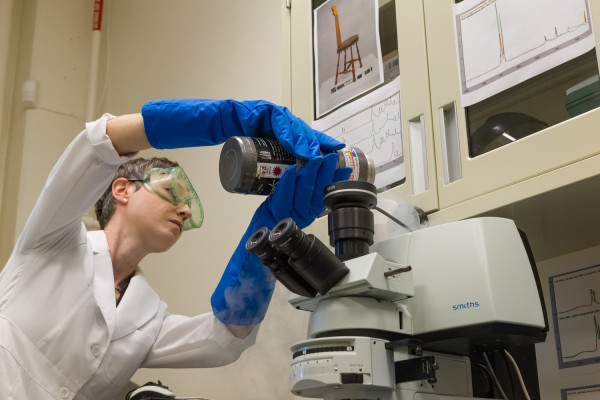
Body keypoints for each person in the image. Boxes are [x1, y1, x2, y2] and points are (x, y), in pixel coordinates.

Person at [0, 99, 352, 400]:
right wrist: (226, 119)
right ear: (122, 189)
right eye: (172, 192)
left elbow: (225, 338)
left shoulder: (148, 318)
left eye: (190, 206)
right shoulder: (52, 241)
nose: (184, 210)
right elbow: (99, 143)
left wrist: (269, 228)